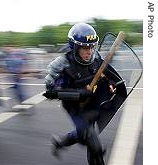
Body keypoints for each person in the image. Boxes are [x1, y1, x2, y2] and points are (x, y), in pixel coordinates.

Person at [43, 23, 127, 165]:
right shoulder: (62, 64)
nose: (89, 52)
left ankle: (60, 143)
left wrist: (110, 84)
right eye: (85, 47)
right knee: (93, 144)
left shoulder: (96, 58)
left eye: (91, 47)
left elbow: (105, 74)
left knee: (84, 134)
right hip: (75, 107)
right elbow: (50, 92)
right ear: (75, 47)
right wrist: (79, 94)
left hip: (93, 102)